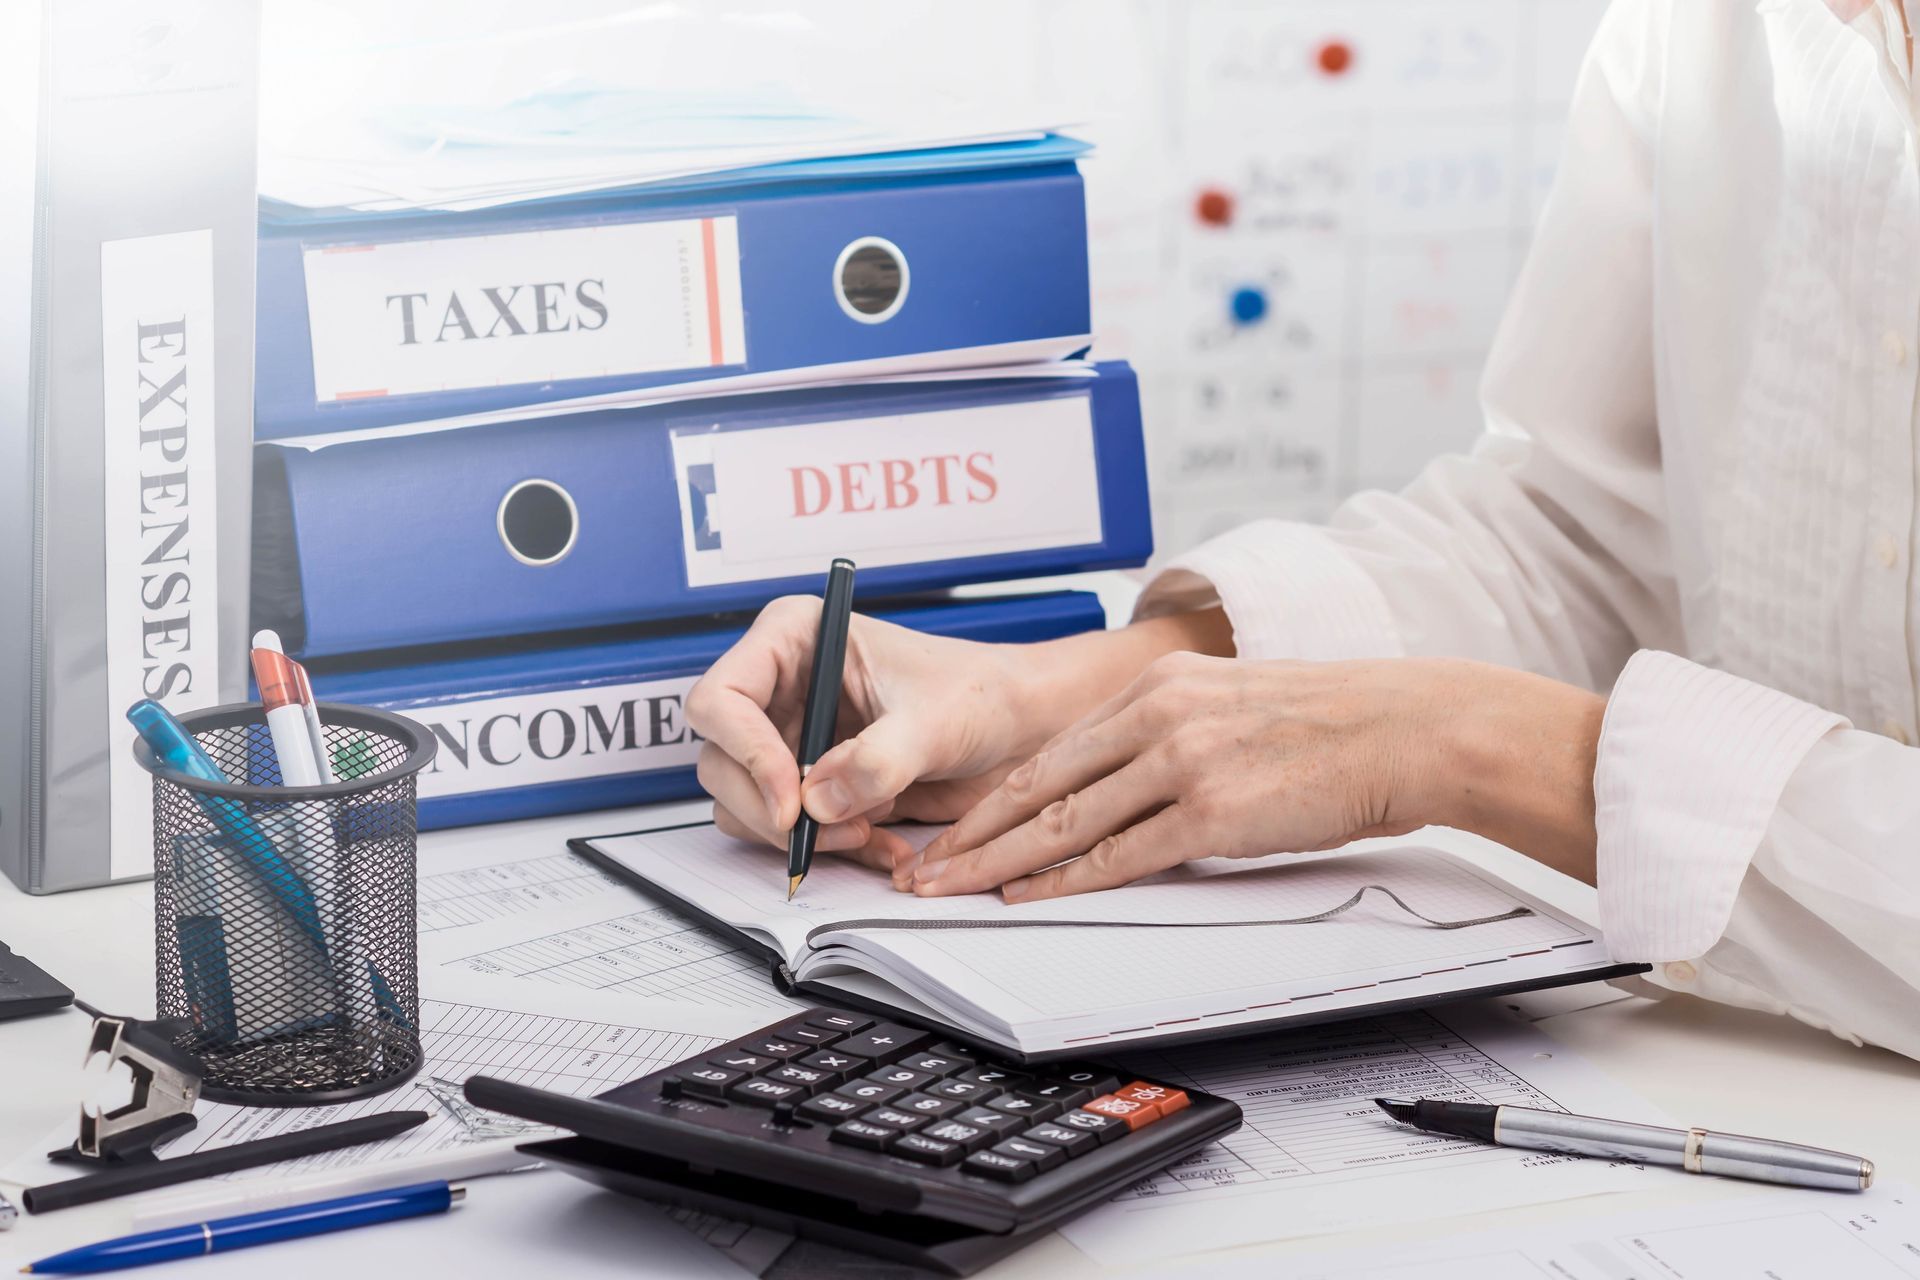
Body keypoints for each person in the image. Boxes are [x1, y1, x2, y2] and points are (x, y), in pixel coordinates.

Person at [686, 0, 1920, 1063]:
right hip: (1744, 1063)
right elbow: (1584, 532)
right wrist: (1081, 691)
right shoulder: (1706, 31)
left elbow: (1487, 712)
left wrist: (1470, 748)